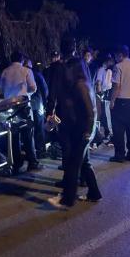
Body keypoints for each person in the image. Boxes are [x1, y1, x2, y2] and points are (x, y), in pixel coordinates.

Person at [47, 57, 102, 209]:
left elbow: (92, 111)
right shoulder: (78, 84)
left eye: (69, 68)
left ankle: (68, 199)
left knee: (73, 164)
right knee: (83, 163)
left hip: (83, 131)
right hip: (80, 130)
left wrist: (88, 133)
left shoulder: (81, 85)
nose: (67, 71)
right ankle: (94, 193)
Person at [0, 51, 41, 173]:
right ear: (22, 60)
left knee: (14, 135)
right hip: (23, 106)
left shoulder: (4, 72)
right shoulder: (26, 71)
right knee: (28, 134)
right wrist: (27, 93)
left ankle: (17, 163)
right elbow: (33, 87)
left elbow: (1, 89)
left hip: (9, 106)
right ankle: (32, 162)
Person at [24, 59, 49, 159]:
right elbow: (44, 89)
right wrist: (45, 103)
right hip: (38, 103)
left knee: (30, 128)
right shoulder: (37, 74)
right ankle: (41, 150)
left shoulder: (23, 74)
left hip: (27, 105)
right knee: (39, 127)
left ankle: (32, 150)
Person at [94, 54, 114, 142]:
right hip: (104, 94)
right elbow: (98, 82)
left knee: (107, 115)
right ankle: (108, 134)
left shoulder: (108, 70)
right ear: (107, 61)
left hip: (107, 94)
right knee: (106, 115)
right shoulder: (102, 69)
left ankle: (108, 134)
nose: (112, 63)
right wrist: (100, 94)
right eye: (111, 61)